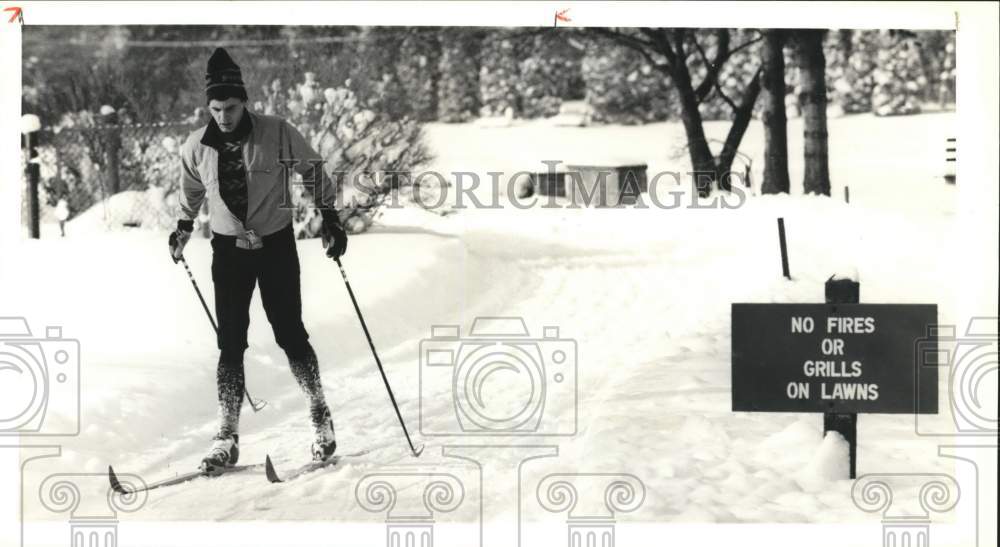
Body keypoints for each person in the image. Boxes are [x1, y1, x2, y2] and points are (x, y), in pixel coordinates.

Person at [168, 48, 348, 473]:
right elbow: (192, 191)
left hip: (276, 247)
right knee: (230, 343)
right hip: (228, 252)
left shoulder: (277, 132)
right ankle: (226, 435)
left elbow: (313, 169)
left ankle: (319, 414)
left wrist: (330, 217)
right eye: (215, 109)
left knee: (290, 334)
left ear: (244, 102)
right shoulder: (196, 146)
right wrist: (183, 227)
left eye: (230, 108)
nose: (223, 117)